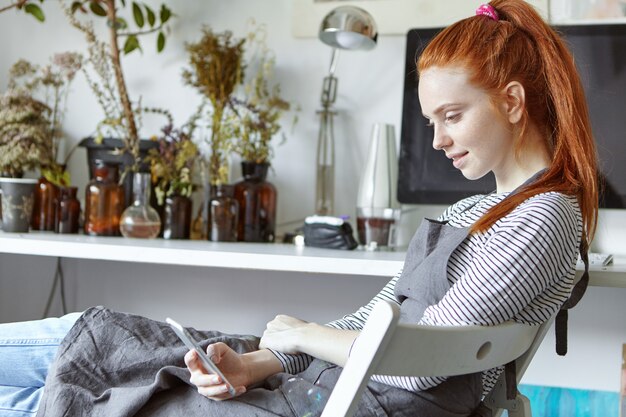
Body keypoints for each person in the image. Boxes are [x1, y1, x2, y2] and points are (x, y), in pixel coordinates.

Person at [0, 1, 598, 416]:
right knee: (97, 343)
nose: (438, 140)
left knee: (80, 384)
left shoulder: (543, 217)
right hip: (324, 386)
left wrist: (301, 336)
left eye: (452, 116)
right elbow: (377, 318)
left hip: (345, 400)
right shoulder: (481, 210)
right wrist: (266, 358)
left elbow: (419, 361)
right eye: (430, 121)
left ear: (513, 102)